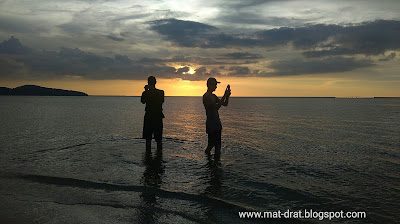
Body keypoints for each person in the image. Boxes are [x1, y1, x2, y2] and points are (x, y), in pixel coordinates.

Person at [203, 77, 231, 158]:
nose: (216, 86)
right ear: (209, 85)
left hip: (216, 123)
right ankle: (212, 164)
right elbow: (216, 107)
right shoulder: (206, 96)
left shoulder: (214, 96)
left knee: (215, 145)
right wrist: (224, 95)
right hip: (211, 124)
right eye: (215, 85)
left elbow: (224, 104)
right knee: (213, 145)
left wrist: (227, 96)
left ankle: (212, 164)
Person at [141, 76, 165, 151]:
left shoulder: (146, 93)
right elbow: (162, 101)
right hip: (158, 117)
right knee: (159, 140)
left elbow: (143, 101)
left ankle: (147, 158)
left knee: (148, 140)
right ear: (156, 82)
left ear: (148, 83)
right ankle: (159, 158)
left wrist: (146, 91)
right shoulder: (161, 92)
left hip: (149, 117)